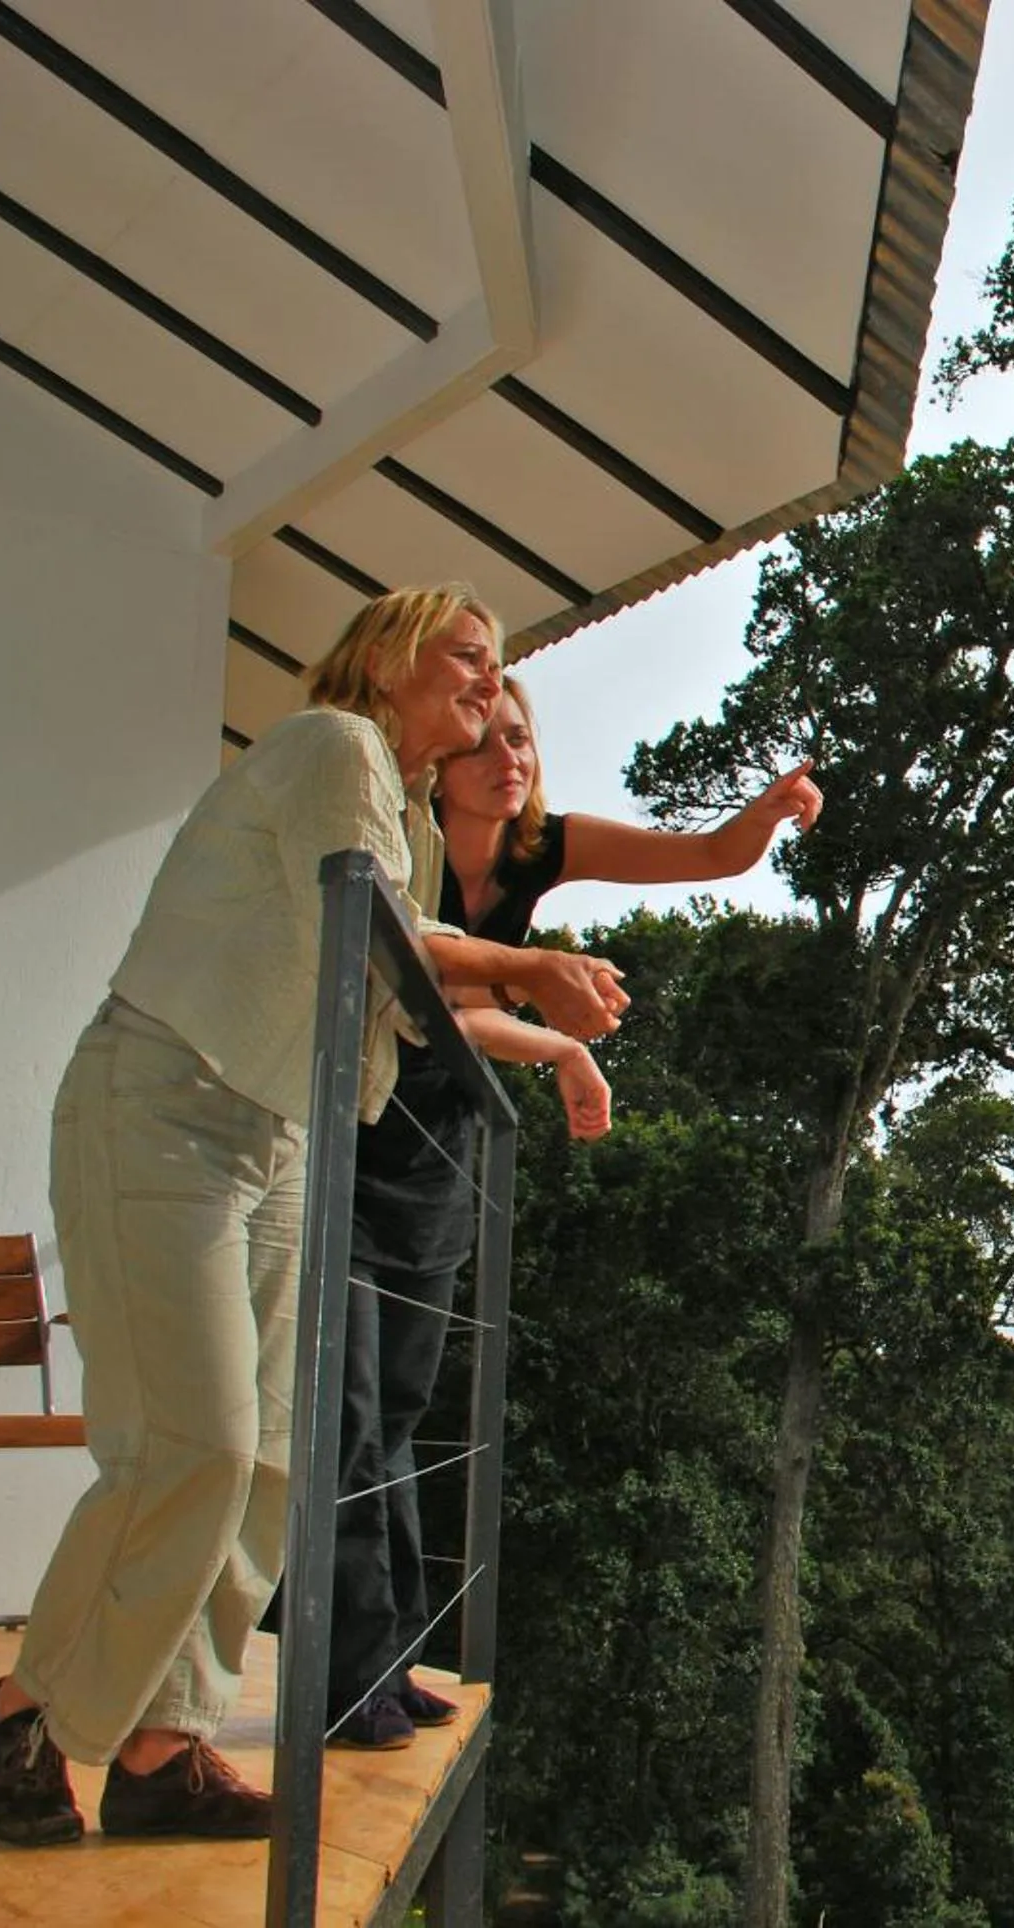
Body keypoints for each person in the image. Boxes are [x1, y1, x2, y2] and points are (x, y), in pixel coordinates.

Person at [0, 588, 628, 1846]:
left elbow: (415, 974)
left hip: (277, 1135)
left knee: (270, 1454)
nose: (490, 684)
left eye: (499, 668)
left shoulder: (409, 814)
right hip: (168, 1099)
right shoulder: (335, 744)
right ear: (386, 655)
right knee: (195, 1443)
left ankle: (164, 1748)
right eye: (467, 657)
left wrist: (547, 1030)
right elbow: (376, 929)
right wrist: (530, 966)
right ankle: (25, 1709)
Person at [324, 674, 818, 1749]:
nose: (509, 758)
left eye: (521, 738)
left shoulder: (539, 846)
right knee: (347, 1414)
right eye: (484, 740)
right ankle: (350, 1671)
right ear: (438, 755)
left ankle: (387, 1661)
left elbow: (703, 857)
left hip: (437, 1146)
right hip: (350, 1130)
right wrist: (557, 1038)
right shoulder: (398, 845)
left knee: (397, 1409)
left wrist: (766, 817)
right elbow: (432, 999)